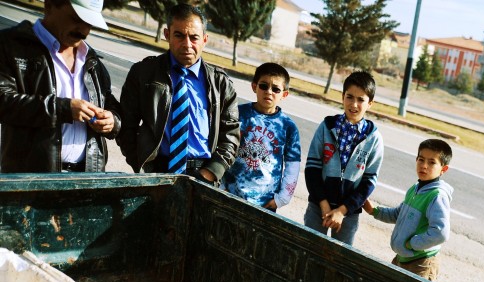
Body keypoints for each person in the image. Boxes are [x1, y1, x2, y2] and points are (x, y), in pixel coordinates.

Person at [118, 3, 239, 185]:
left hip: (203, 177)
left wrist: (211, 173)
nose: (187, 44)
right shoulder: (144, 73)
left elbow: (231, 135)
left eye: (194, 37)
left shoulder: (220, 84)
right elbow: (126, 125)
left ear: (205, 40)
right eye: (179, 35)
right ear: (167, 35)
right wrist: (142, 164)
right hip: (156, 173)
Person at [0, 0, 120, 173]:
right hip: (31, 181)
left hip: (85, 182)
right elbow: (3, 102)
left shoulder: (91, 60)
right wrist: (62, 109)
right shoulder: (11, 45)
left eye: (90, 23)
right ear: (49, 5)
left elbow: (110, 105)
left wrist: (111, 121)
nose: (84, 30)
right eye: (76, 18)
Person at [303, 71, 384, 245]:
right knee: (310, 251)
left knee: (339, 260)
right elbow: (312, 169)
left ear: (370, 103)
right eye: (350, 97)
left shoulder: (374, 138)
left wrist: (342, 211)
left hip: (349, 213)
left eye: (361, 99)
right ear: (342, 97)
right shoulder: (327, 127)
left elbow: (369, 182)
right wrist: (323, 204)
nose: (354, 104)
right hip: (318, 206)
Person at [363, 139, 453, 281]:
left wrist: (412, 243)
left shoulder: (436, 196)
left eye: (432, 162)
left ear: (443, 169)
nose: (424, 166)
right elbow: (398, 214)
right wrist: (373, 211)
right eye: (421, 159)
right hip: (403, 258)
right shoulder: (415, 189)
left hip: (422, 263)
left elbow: (440, 233)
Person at [221, 62, 301, 211]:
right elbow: (221, 146)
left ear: (284, 94)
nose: (269, 92)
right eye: (264, 86)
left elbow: (293, 165)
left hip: (265, 202)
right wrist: (221, 185)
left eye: (276, 89)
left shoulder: (288, 127)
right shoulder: (237, 114)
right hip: (230, 193)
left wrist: (282, 198)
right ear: (254, 86)